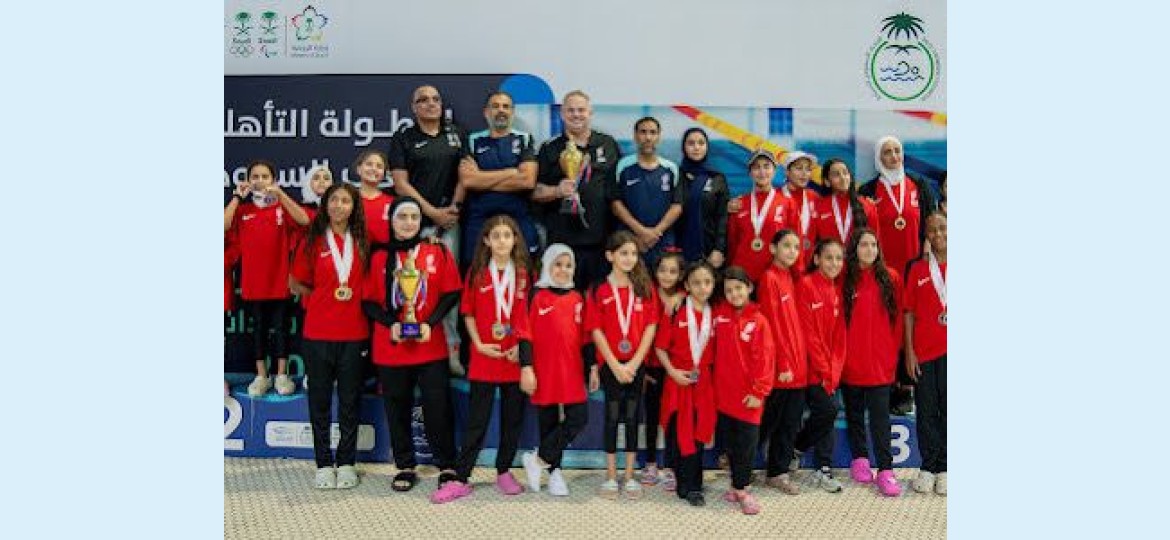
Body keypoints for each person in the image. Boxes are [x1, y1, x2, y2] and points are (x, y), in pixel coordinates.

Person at [360, 197, 461, 495]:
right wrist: (390, 323)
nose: (408, 223)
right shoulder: (378, 256)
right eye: (402, 217)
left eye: (414, 217)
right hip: (391, 345)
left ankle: (447, 464)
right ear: (391, 221)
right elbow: (367, 301)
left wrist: (430, 322)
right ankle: (405, 464)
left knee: (437, 405)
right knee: (397, 406)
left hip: (430, 345)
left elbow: (451, 292)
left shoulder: (436, 250)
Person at [432, 216, 534, 503]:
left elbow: (525, 316)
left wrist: (520, 348)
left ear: (515, 240)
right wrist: (478, 344)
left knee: (512, 420)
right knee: (477, 421)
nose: (502, 240)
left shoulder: (524, 274)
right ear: (487, 241)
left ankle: (504, 472)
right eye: (496, 235)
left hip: (513, 356)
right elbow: (468, 313)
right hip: (485, 355)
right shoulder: (477, 272)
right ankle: (461, 478)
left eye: (507, 235)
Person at [288, 183, 370, 490]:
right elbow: (297, 282)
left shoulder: (364, 240)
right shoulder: (313, 239)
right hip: (318, 332)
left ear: (354, 207)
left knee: (350, 401)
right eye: (333, 200)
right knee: (319, 402)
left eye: (345, 200)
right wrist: (322, 298)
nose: (338, 205)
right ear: (325, 205)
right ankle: (323, 463)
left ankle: (346, 463)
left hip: (354, 333)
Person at [389, 86, 469, 374]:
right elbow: (400, 184)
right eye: (423, 100)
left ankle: (452, 351)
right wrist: (432, 213)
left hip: (449, 224)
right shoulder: (404, 138)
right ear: (414, 107)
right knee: (413, 289)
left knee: (448, 289)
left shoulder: (457, 134)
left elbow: (466, 176)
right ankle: (415, 345)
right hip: (414, 225)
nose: (430, 104)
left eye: (435, 99)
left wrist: (452, 210)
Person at [857, 136, 937, 418]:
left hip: (913, 270)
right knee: (885, 328)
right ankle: (885, 385)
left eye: (897, 151)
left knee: (911, 327)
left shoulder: (919, 186)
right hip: (883, 272)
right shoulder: (868, 190)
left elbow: (930, 224)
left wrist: (926, 256)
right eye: (887, 152)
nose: (894, 156)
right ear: (879, 158)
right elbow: (863, 231)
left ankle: (906, 388)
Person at [223, 159, 311, 397]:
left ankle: (281, 375)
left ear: (273, 180)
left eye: (265, 177)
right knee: (259, 330)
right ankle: (262, 376)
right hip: (253, 283)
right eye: (255, 177)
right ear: (248, 181)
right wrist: (236, 197)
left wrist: (281, 194)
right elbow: (222, 226)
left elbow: (304, 220)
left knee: (281, 329)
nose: (260, 181)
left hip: (280, 281)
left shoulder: (282, 208)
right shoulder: (243, 211)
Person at [585, 231, 660, 500]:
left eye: (633, 254)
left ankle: (628, 476)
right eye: (623, 253)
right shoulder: (598, 289)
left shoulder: (644, 287)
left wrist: (636, 362)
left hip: (636, 363)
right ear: (610, 256)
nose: (629, 258)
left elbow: (651, 326)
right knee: (612, 415)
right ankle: (610, 475)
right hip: (611, 363)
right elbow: (595, 330)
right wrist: (615, 365)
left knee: (632, 416)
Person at [520, 244, 595, 497]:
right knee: (548, 422)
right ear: (547, 266)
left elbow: (586, 338)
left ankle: (537, 459)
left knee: (579, 417)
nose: (563, 270)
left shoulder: (577, 297)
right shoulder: (535, 295)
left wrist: (592, 367)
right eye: (558, 264)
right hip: (544, 370)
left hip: (572, 369)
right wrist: (526, 367)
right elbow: (525, 334)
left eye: (568, 265)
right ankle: (554, 472)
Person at [531, 90, 623, 291]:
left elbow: (619, 190)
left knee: (596, 299)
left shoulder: (608, 144)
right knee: (564, 301)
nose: (576, 115)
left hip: (601, 242)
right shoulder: (549, 148)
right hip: (562, 244)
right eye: (570, 110)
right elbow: (534, 192)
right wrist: (557, 191)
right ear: (562, 114)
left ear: (590, 113)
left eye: (581, 110)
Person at [840, 228, 903, 497]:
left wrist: (892, 355)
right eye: (864, 245)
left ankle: (886, 469)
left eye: (873, 245)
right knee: (854, 414)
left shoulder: (891, 277)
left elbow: (898, 321)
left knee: (880, 419)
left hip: (880, 364)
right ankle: (860, 459)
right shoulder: (844, 279)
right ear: (854, 249)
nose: (869, 250)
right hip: (851, 362)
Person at [654, 261, 718, 507]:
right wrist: (672, 372)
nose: (703, 288)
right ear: (687, 286)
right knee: (679, 432)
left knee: (699, 432)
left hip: (704, 382)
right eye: (696, 283)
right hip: (678, 380)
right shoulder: (677, 309)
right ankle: (684, 481)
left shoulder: (716, 313)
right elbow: (660, 348)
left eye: (707, 282)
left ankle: (694, 485)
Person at [712, 266, 775, 515]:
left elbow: (766, 359)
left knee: (747, 446)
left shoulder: (759, 321)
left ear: (749, 287)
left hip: (749, 398)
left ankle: (744, 488)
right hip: (725, 397)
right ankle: (735, 484)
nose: (734, 294)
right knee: (730, 445)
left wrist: (759, 391)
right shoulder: (720, 316)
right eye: (729, 290)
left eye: (738, 288)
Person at [792, 239, 848, 493]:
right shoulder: (805, 285)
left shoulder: (836, 290)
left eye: (838, 258)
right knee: (829, 409)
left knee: (828, 412)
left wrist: (834, 371)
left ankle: (823, 468)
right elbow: (808, 334)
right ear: (816, 259)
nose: (834, 263)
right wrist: (825, 371)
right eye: (828, 258)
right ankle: (798, 446)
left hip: (829, 371)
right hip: (809, 369)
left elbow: (840, 337)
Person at [459, 91, 539, 262]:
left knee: (525, 270)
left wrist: (481, 178)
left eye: (505, 106)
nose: (501, 110)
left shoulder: (524, 139)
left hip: (518, 217)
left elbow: (527, 181)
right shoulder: (472, 140)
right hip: (480, 218)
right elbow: (468, 181)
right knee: (476, 271)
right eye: (495, 106)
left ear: (512, 112)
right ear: (486, 112)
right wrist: (510, 173)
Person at [756, 229, 807, 496]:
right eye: (786, 245)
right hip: (782, 369)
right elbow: (773, 325)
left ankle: (777, 472)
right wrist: (783, 364)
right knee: (768, 422)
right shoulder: (769, 278)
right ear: (772, 248)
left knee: (789, 423)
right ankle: (738, 463)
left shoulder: (791, 277)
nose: (792, 251)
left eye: (796, 247)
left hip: (799, 367)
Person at [904, 212, 947, 496]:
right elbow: (908, 312)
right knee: (927, 410)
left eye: (942, 227)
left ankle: (946, 467)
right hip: (925, 351)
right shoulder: (918, 269)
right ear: (926, 236)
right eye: (932, 230)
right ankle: (928, 467)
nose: (938, 234)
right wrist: (909, 351)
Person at [639, 249, 685, 490]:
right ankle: (650, 462)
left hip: (675, 368)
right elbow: (640, 332)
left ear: (681, 275)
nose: (667, 275)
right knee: (652, 415)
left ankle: (670, 466)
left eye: (673, 271)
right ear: (655, 272)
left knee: (673, 417)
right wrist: (643, 368)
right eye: (663, 270)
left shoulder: (686, 297)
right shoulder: (647, 295)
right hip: (652, 367)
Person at [611, 117, 683, 264]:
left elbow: (677, 206)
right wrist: (641, 232)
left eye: (653, 132)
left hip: (662, 240)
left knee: (663, 278)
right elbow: (615, 204)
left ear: (659, 137)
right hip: (630, 241)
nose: (648, 137)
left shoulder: (671, 168)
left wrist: (655, 233)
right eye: (643, 132)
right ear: (635, 136)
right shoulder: (622, 166)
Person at [726, 149, 795, 283]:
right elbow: (732, 242)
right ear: (750, 173)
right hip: (742, 277)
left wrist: (794, 275)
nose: (762, 172)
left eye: (766, 166)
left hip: (773, 275)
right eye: (756, 167)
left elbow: (795, 243)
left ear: (774, 171)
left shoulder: (787, 203)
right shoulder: (739, 204)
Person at [675, 127, 730, 266]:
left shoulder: (717, 178)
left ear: (707, 146)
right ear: (683, 147)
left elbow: (722, 217)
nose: (696, 147)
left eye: (701, 143)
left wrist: (719, 249)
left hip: (709, 250)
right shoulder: (675, 176)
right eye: (691, 143)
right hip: (677, 250)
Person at [812, 159, 879, 246]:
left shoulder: (867, 205)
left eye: (845, 173)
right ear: (827, 182)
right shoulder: (818, 206)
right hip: (829, 254)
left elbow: (875, 242)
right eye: (836, 174)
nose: (843, 178)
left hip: (857, 255)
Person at [779, 151, 821, 270]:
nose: (804, 173)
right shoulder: (776, 197)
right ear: (787, 172)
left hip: (810, 265)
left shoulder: (814, 197)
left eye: (808, 169)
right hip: (785, 265)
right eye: (799, 168)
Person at [354, 149, 395, 246]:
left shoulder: (392, 203)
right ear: (359, 169)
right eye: (369, 164)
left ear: (384, 174)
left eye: (379, 166)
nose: (374, 169)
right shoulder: (349, 200)